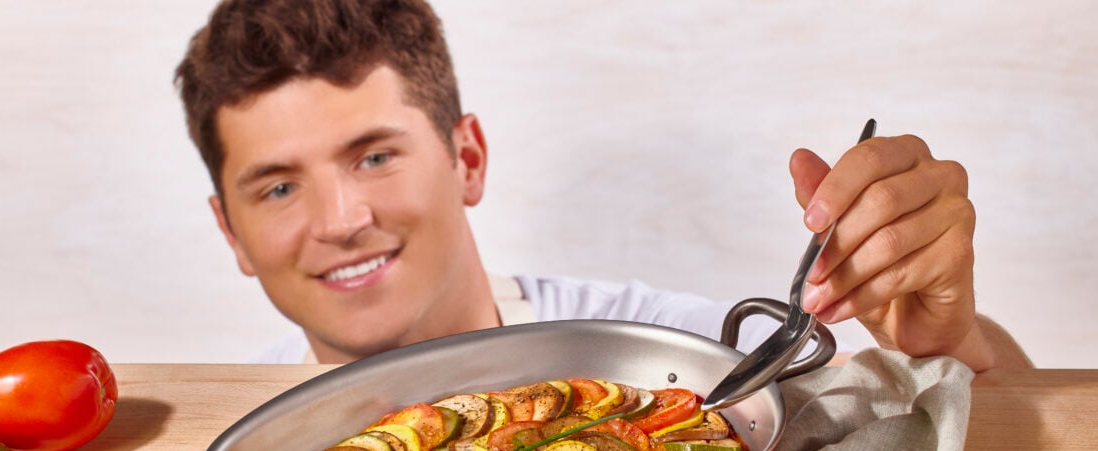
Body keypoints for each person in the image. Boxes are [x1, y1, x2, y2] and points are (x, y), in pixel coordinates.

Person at [175, 0, 1032, 371]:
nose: (342, 219)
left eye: (374, 156)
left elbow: (976, 442)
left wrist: (943, 341)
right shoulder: (232, 446)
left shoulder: (673, 356)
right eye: (278, 189)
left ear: (467, 159)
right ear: (230, 234)